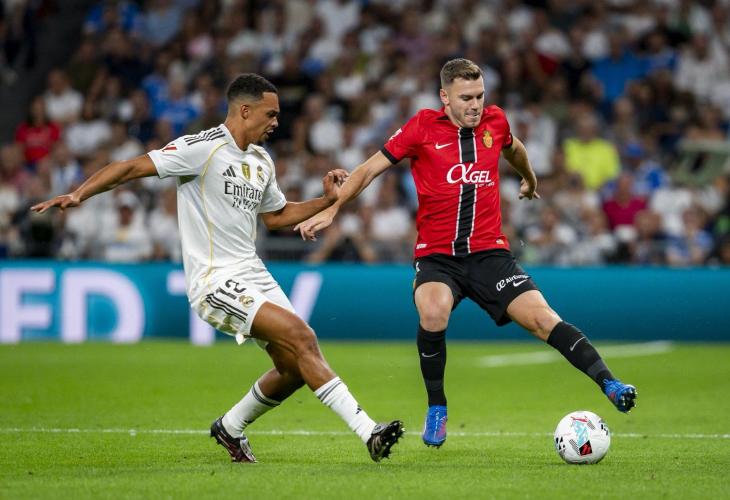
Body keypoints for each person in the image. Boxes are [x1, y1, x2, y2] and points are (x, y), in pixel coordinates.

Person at [31, 73, 403, 463]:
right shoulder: (202, 148)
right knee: (302, 336)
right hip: (214, 279)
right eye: (270, 114)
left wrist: (325, 201)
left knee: (294, 367)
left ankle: (230, 426)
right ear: (245, 110)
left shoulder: (261, 160)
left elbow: (276, 217)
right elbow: (130, 168)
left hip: (253, 273)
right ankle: (369, 432)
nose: (276, 122)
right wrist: (80, 193)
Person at [295, 58, 637, 449]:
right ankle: (437, 407)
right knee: (433, 311)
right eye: (466, 98)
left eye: (479, 96)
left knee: (543, 319)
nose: (475, 105)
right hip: (438, 257)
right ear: (445, 97)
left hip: (490, 255)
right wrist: (333, 209)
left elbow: (515, 148)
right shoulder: (421, 127)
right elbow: (369, 169)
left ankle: (610, 384)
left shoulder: (496, 122)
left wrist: (529, 178)